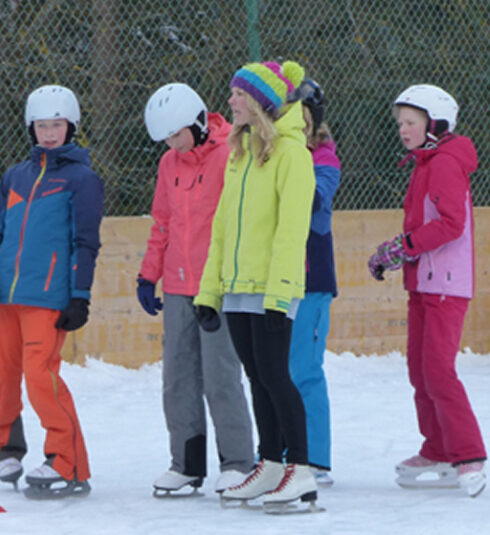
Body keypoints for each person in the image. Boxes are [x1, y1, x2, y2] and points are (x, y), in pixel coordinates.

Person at [193, 60, 319, 512]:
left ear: (260, 102)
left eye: (238, 94)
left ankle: (300, 469)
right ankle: (269, 464)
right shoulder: (240, 153)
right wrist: (209, 293)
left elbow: (291, 232)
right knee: (255, 377)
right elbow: (222, 228)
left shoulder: (293, 155)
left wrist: (279, 294)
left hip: (272, 289)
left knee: (276, 376)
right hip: (237, 287)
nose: (230, 101)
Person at [0, 84, 103, 500]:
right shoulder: (16, 176)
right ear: (32, 128)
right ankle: (7, 449)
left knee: (40, 377)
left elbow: (85, 242)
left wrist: (79, 295)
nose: (49, 133)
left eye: (57, 125)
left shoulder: (82, 179)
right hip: (7, 296)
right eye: (42, 125)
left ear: (71, 126)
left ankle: (68, 461)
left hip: (48, 298)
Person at [367, 84, 488, 498]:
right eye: (400, 122)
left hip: (447, 284)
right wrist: (397, 252)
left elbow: (451, 223)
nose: (403, 129)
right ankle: (437, 448)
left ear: (434, 123)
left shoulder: (444, 165)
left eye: (411, 122)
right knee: (419, 370)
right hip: (424, 282)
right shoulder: (424, 163)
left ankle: (468, 454)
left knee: (438, 370)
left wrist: (405, 247)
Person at [137, 82, 255, 497]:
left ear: (198, 122)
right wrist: (148, 275)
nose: (172, 144)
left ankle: (239, 462)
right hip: (177, 285)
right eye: (166, 139)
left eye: (176, 134)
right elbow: (162, 222)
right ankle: (185, 464)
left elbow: (237, 225)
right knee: (177, 377)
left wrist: (226, 281)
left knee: (220, 376)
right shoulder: (169, 163)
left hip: (217, 287)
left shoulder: (230, 155)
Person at [287, 78, 341, 488]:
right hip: (275, 279)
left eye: (298, 114)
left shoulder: (323, 159)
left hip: (311, 280)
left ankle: (315, 458)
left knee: (304, 368)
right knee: (274, 368)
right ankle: (280, 451)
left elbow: (317, 204)